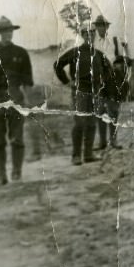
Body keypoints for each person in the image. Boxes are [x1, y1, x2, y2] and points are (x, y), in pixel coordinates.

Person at [54, 21, 113, 165]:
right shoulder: (75, 52)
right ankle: (76, 156)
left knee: (92, 123)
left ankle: (88, 154)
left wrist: (101, 81)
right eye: (86, 33)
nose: (90, 35)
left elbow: (109, 70)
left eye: (92, 33)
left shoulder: (99, 54)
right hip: (80, 92)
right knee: (80, 123)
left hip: (95, 93)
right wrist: (67, 82)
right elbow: (58, 65)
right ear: (82, 35)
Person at [0, 17, 33, 184]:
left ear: (13, 32)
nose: (7, 34)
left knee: (17, 138)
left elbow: (27, 81)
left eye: (10, 31)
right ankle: (1, 174)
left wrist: (28, 103)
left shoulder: (21, 53)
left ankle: (16, 171)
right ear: (0, 33)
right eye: (4, 31)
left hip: (16, 97)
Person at [92, 15, 123, 150]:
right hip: (98, 80)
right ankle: (102, 142)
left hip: (112, 79)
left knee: (114, 111)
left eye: (104, 25)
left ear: (107, 27)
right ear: (96, 27)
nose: (101, 28)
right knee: (100, 110)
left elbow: (121, 60)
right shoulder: (92, 42)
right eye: (99, 26)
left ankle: (114, 140)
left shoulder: (114, 41)